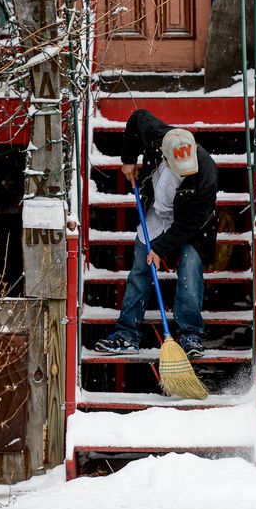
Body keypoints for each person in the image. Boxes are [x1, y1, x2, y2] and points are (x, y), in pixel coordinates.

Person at [95, 109, 218, 357]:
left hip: (192, 222)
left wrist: (160, 248)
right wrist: (128, 158)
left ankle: (190, 334)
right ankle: (126, 333)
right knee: (140, 267)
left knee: (189, 273)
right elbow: (135, 118)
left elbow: (188, 225)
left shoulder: (206, 176)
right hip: (157, 210)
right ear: (165, 152)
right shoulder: (156, 135)